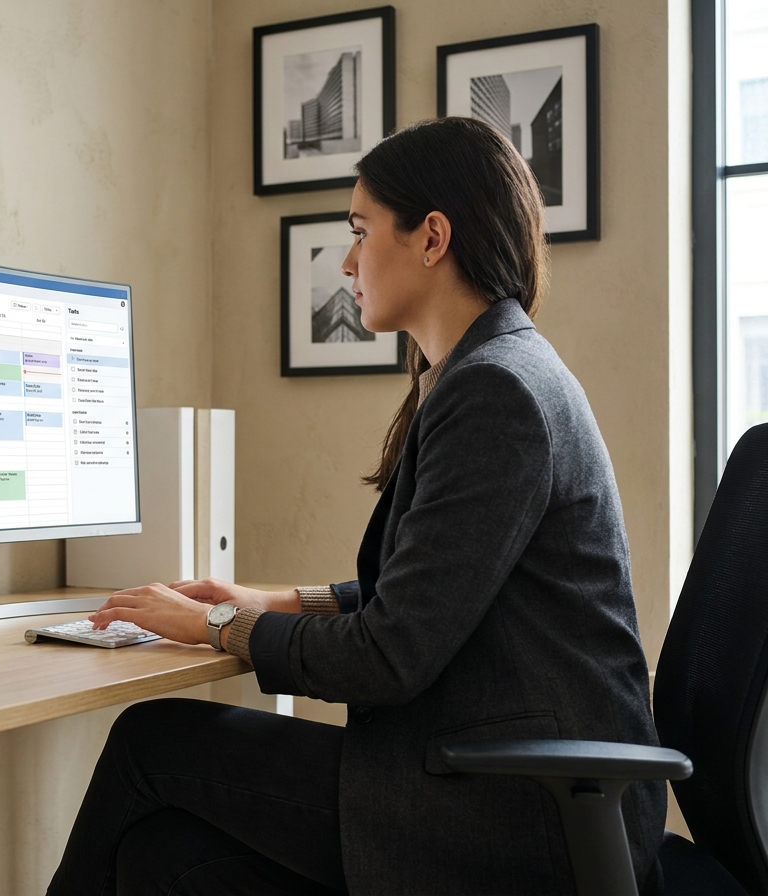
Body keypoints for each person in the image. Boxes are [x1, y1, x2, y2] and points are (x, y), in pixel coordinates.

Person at [47, 117, 665, 896]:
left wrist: (212, 626)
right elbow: (429, 596)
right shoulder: (493, 370)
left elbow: (390, 657)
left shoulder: (495, 392)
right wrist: (273, 599)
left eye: (360, 230)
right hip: (508, 784)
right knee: (167, 855)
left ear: (432, 237)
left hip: (520, 814)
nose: (346, 262)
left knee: (151, 741)